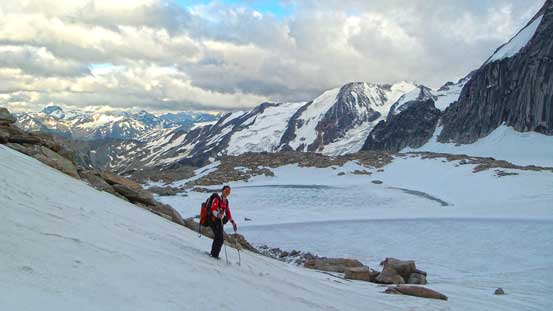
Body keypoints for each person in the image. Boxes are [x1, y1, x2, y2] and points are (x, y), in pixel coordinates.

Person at [209, 185, 237, 259]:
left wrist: (233, 222)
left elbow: (227, 212)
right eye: (226, 190)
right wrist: (218, 215)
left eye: (229, 191)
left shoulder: (226, 201)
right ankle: (214, 255)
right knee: (219, 238)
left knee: (219, 238)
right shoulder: (217, 199)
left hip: (218, 221)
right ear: (222, 191)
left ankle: (214, 254)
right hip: (214, 220)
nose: (227, 192)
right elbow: (213, 209)